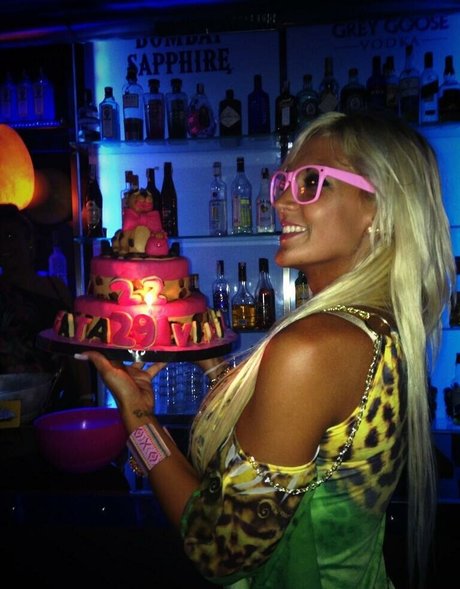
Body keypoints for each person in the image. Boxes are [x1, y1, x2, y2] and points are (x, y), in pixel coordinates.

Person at [77, 111, 455, 589]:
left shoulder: (313, 347)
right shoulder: (378, 325)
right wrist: (212, 362)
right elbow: (300, 439)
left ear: (377, 208)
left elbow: (220, 550)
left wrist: (138, 423)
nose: (280, 201)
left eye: (311, 182)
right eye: (284, 183)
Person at [0, 203, 91, 405]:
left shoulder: (55, 288)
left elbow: (73, 346)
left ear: (29, 241)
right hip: (9, 401)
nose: (4, 245)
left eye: (10, 236)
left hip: (58, 395)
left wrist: (86, 396)